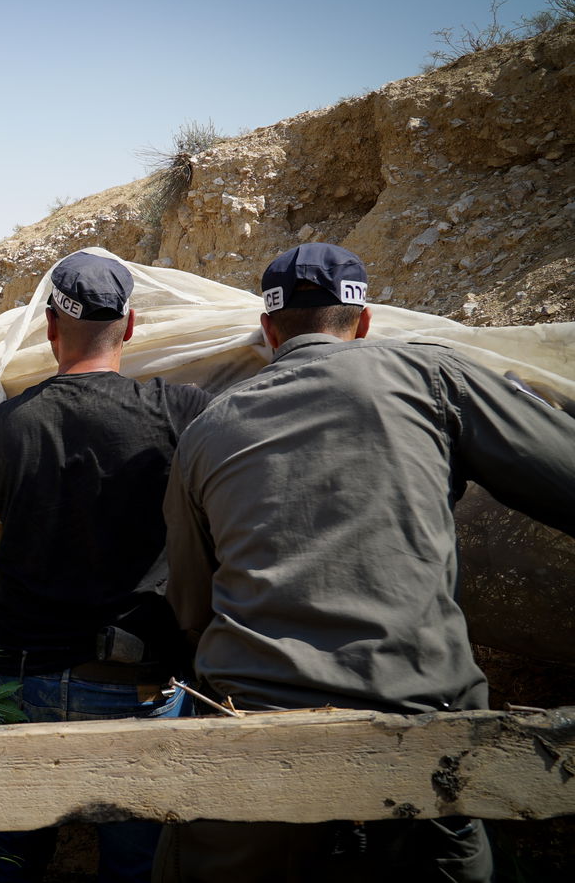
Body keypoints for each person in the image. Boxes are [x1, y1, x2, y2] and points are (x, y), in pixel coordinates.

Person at [158, 243, 575, 882]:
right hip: (422, 744)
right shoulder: (427, 378)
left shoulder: (209, 428)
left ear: (268, 330)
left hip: (257, 753)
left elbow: (190, 604)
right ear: (366, 321)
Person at [0, 248, 211, 883]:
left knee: (12, 856)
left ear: (50, 328)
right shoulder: (179, 409)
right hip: (134, 680)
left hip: (21, 678)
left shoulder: (10, 420)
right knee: (134, 863)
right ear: (130, 325)